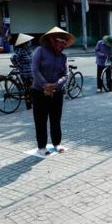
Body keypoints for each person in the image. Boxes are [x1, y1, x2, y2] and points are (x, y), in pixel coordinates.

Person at [31, 27, 74, 157]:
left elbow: (66, 74)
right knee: (41, 120)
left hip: (57, 91)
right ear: (51, 40)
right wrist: (45, 85)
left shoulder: (63, 57)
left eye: (64, 42)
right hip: (39, 91)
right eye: (59, 41)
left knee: (56, 119)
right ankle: (42, 146)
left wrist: (55, 85)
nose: (62, 44)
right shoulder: (40, 51)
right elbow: (35, 69)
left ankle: (57, 143)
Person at [11, 33, 35, 110]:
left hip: (31, 73)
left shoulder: (27, 50)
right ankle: (29, 106)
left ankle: (32, 103)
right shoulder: (20, 50)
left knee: (32, 89)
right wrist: (19, 66)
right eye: (27, 42)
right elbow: (13, 58)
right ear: (24, 43)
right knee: (28, 90)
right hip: (25, 74)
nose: (29, 43)